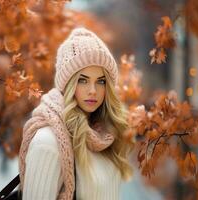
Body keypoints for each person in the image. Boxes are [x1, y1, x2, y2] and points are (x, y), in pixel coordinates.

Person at [18, 27, 133, 200]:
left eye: (101, 81)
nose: (93, 90)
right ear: (69, 84)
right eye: (83, 80)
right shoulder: (48, 142)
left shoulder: (105, 137)